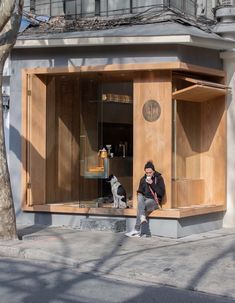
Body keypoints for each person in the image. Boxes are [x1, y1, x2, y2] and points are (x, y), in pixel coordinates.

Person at [125, 161, 165, 237]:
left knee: (141, 206)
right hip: (144, 199)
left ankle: (136, 230)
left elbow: (161, 193)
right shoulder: (143, 179)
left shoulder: (159, 178)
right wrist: (140, 194)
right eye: (147, 173)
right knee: (140, 197)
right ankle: (142, 217)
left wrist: (152, 183)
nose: (148, 174)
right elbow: (140, 191)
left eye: (150, 172)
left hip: (153, 201)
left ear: (154, 171)